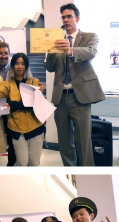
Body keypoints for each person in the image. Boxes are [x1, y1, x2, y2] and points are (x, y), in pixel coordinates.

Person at [45, 4, 104, 167]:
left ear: (77, 18)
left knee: (83, 140)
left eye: (69, 16)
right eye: (63, 17)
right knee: (64, 140)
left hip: (80, 97)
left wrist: (70, 50)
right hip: (60, 97)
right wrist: (49, 50)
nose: (65, 20)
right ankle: (70, 171)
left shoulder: (89, 36)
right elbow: (50, 68)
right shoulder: (56, 40)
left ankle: (87, 173)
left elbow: (91, 52)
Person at [0, 53, 44, 166]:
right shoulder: (8, 84)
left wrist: (12, 104)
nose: (20, 67)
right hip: (16, 128)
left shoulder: (34, 82)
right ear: (12, 66)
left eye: (23, 64)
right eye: (17, 64)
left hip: (36, 127)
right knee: (22, 163)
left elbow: (32, 104)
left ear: (27, 66)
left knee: (34, 163)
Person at [0, 41, 16, 167]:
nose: (3, 56)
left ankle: (11, 165)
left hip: (9, 109)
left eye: (6, 53)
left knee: (12, 140)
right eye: (0, 53)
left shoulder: (15, 68)